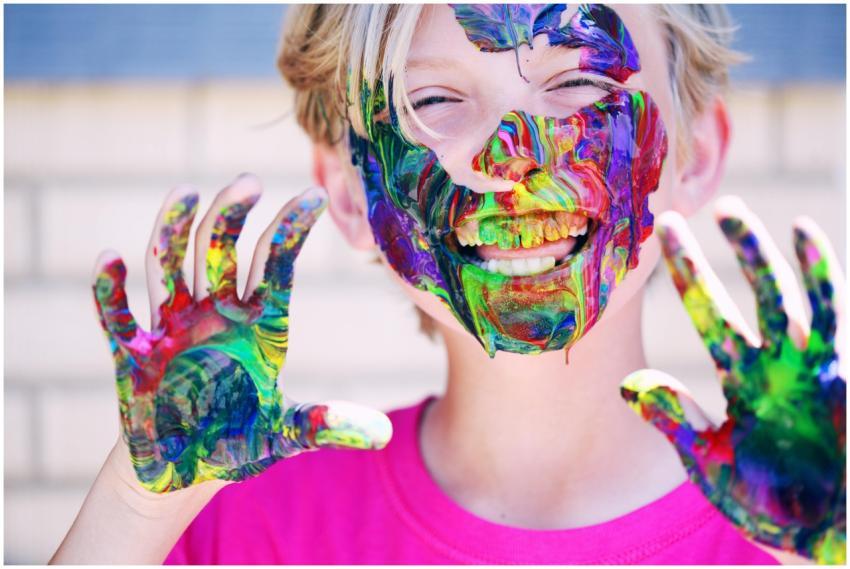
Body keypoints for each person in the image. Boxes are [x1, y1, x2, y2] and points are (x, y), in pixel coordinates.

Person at [51, 4, 845, 565]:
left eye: (578, 85)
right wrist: (138, 506)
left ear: (696, 152)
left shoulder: (802, 522)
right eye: (434, 100)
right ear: (353, 191)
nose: (513, 157)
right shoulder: (245, 528)